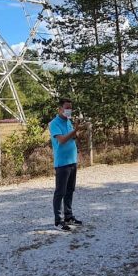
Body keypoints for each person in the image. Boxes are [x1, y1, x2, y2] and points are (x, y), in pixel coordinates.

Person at [49, 98, 82, 231]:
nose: (69, 110)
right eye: (67, 108)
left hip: (72, 161)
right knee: (60, 192)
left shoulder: (68, 121)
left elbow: (72, 138)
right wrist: (75, 131)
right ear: (60, 109)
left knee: (70, 190)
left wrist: (75, 133)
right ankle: (58, 221)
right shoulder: (54, 123)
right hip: (62, 163)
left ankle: (68, 216)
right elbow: (61, 140)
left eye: (70, 108)